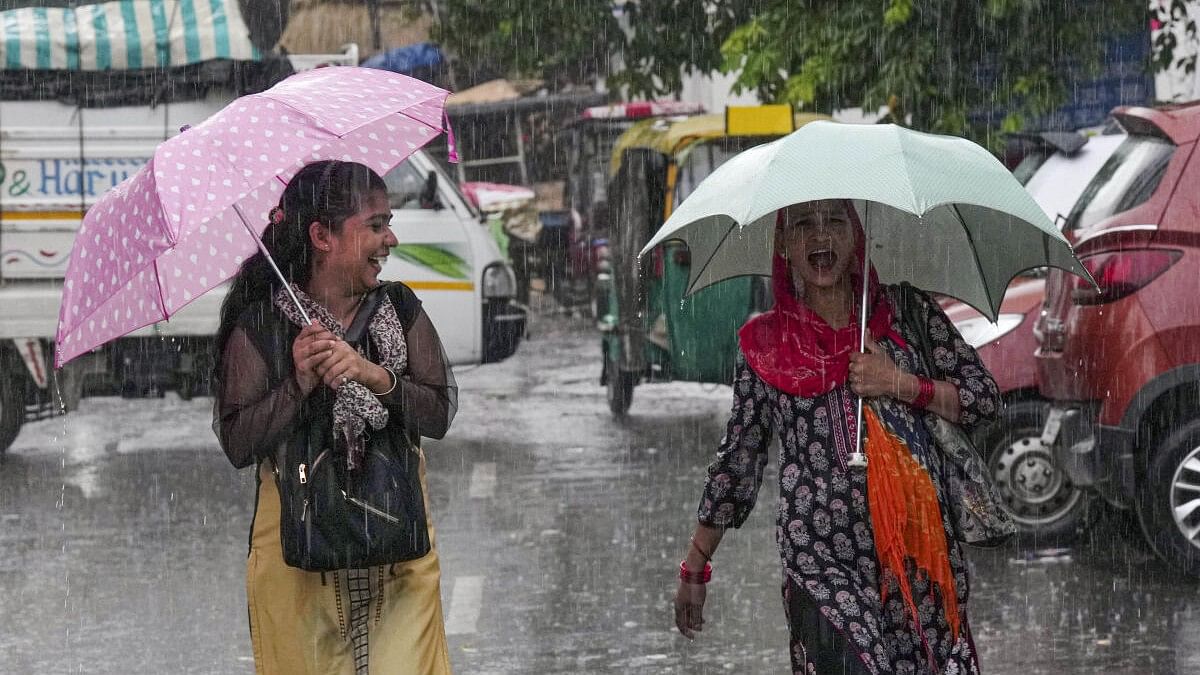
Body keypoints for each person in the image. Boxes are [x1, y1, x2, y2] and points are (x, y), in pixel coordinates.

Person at [673, 200, 1000, 674]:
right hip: (819, 561)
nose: (820, 236)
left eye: (835, 222)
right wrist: (695, 565)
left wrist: (901, 384)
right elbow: (738, 463)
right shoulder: (764, 345)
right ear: (782, 244)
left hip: (917, 555)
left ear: (856, 236)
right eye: (803, 224)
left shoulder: (906, 315)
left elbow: (983, 398)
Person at [212, 160, 458, 675]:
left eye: (388, 221)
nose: (390, 238)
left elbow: (437, 412)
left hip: (399, 547)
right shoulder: (264, 325)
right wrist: (299, 383)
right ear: (322, 236)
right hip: (298, 558)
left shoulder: (400, 308)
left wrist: (375, 376)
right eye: (375, 225)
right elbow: (238, 442)